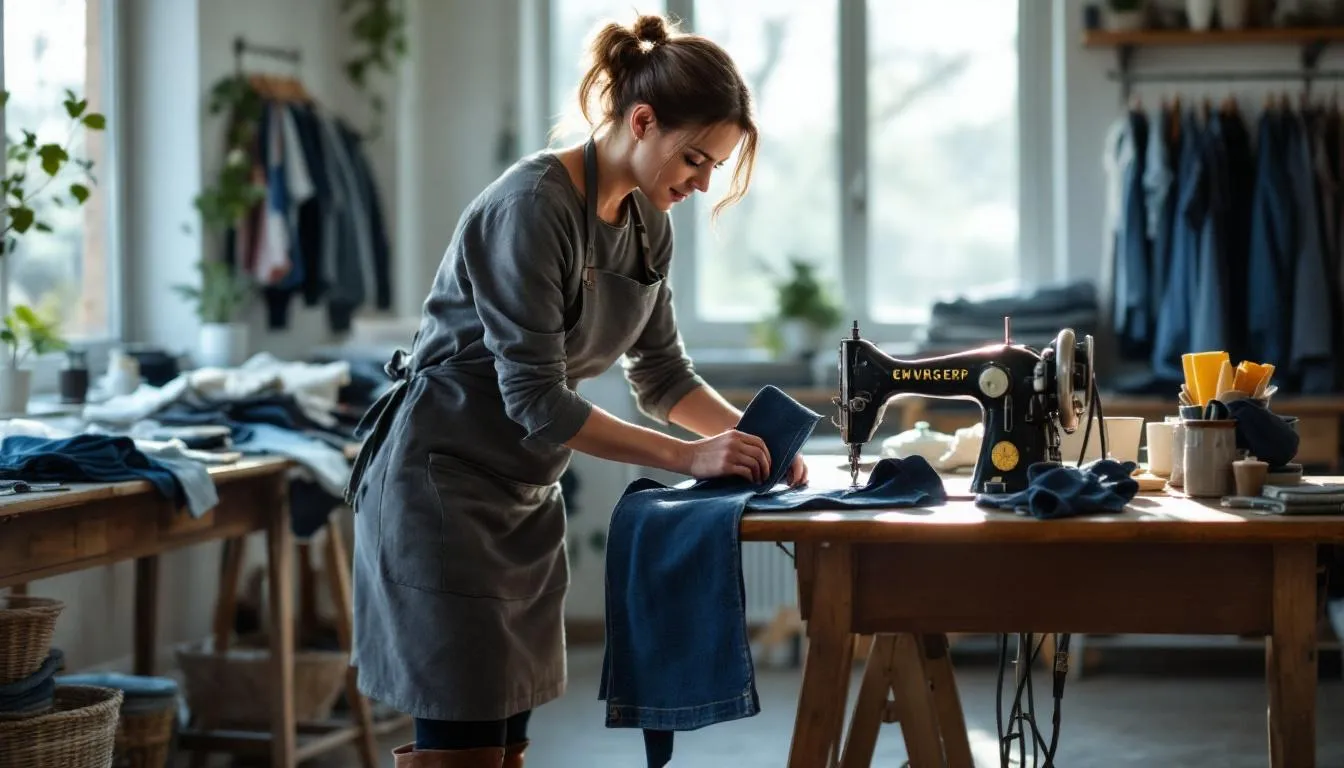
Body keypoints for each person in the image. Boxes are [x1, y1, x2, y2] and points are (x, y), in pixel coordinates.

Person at [346, 12, 808, 767]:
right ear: (641, 119)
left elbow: (661, 375)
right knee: (465, 743)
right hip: (442, 494)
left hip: (525, 499)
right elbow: (535, 399)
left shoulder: (647, 224)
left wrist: (752, 442)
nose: (698, 184)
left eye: (711, 170)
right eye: (694, 159)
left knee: (508, 740)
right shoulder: (532, 208)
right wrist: (691, 459)